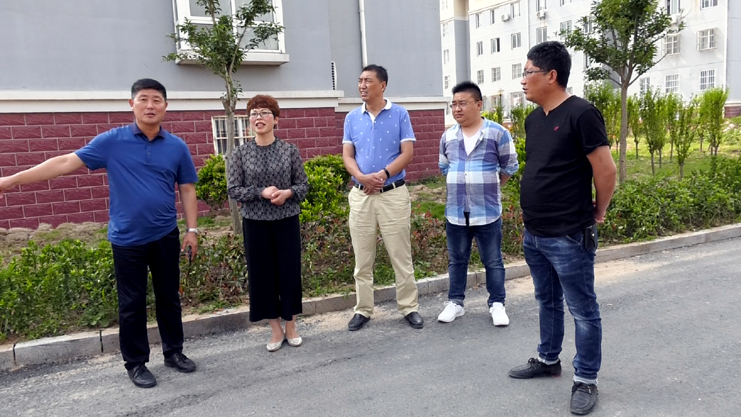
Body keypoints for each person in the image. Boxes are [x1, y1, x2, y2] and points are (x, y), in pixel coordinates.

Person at [0, 79, 200, 389]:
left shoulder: (177, 146)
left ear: (165, 106)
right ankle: (136, 363)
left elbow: (186, 188)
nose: (150, 105)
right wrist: (10, 181)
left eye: (156, 100)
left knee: (169, 298)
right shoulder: (112, 141)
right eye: (143, 99)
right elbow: (65, 163)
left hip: (165, 235)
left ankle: (173, 352)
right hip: (127, 239)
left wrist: (192, 230)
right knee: (131, 304)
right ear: (131, 104)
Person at [507, 42, 616, 416]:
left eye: (528, 72)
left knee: (583, 309)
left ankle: (585, 378)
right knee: (547, 300)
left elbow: (606, 170)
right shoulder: (534, 118)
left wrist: (598, 212)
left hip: (570, 234)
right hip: (535, 233)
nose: (523, 80)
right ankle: (548, 359)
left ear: (551, 75)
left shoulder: (582, 113)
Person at [342, 64, 423, 331]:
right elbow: (347, 156)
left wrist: (383, 174)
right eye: (360, 80)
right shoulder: (352, 118)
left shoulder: (400, 114)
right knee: (362, 258)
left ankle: (409, 307)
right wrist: (362, 177)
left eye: (368, 80)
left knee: (401, 255)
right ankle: (363, 309)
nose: (362, 85)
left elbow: (407, 153)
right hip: (361, 195)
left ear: (383, 85)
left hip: (392, 194)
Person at [227, 95, 309, 352]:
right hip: (255, 223)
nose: (258, 117)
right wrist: (260, 192)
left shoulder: (289, 151)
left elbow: (303, 185)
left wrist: (287, 193)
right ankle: (275, 328)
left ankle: (291, 325)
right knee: (262, 275)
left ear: (276, 119)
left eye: (264, 113)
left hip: (286, 220)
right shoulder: (240, 153)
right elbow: (233, 189)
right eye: (253, 114)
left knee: (289, 272)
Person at [437, 81, 519, 325]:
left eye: (462, 103)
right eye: (453, 104)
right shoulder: (448, 136)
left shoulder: (497, 133)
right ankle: (455, 302)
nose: (457, 109)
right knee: (457, 260)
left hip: (487, 211)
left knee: (493, 260)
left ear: (478, 105)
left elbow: (509, 166)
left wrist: (489, 186)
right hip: (455, 211)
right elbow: (444, 167)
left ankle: (497, 304)